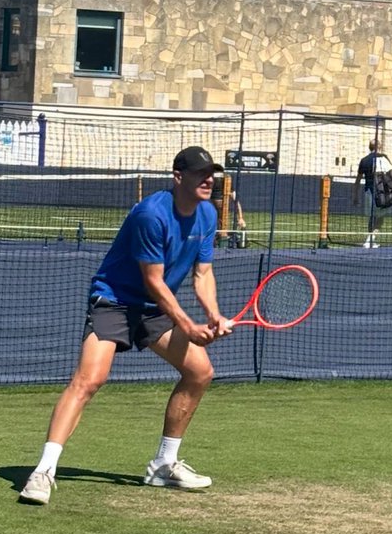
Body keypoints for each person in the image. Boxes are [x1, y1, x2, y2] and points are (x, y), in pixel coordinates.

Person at [20, 146, 234, 506]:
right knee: (90, 379)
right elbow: (153, 280)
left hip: (153, 309)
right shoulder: (150, 214)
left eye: (211, 173)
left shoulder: (208, 214)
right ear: (178, 177)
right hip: (115, 300)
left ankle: (163, 465)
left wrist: (212, 313)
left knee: (200, 372)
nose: (209, 179)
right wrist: (188, 324)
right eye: (201, 173)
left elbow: (203, 273)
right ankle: (43, 471)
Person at [352, 139, 392, 249]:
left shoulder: (364, 160)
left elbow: (358, 180)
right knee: (380, 218)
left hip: (368, 192)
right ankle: (369, 240)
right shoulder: (383, 158)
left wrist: (355, 196)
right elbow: (391, 175)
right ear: (379, 146)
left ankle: (369, 240)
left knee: (372, 216)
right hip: (381, 193)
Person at [211, 171, 247, 247]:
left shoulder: (227, 185)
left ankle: (220, 239)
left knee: (220, 223)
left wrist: (240, 218)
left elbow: (236, 202)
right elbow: (236, 202)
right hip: (215, 206)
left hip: (218, 206)